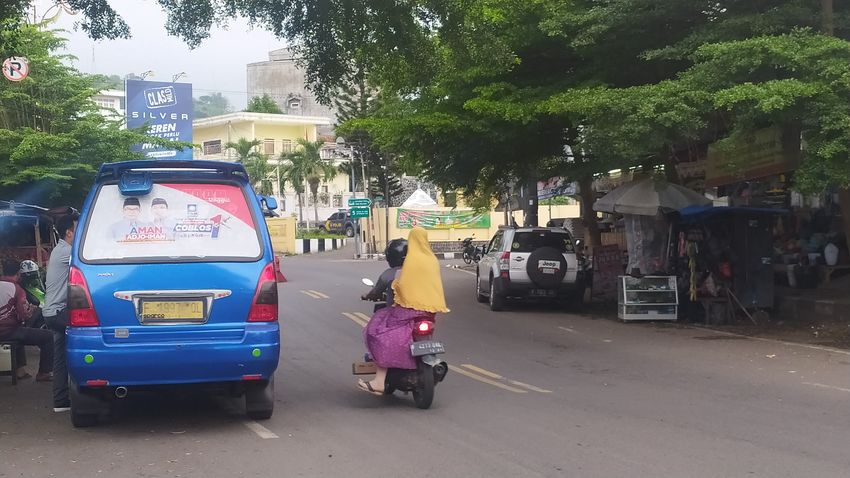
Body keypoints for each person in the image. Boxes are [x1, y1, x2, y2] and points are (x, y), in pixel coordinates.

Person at [357, 227, 449, 395]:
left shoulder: (404, 267)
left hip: (405, 312)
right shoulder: (432, 261)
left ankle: (379, 381)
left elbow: (397, 287)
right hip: (429, 312)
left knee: (378, 333)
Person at [43, 212, 78, 412]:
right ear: (69, 233)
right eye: (78, 229)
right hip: (58, 312)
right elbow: (89, 258)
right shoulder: (67, 252)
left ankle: (60, 401)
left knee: (60, 357)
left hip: (52, 312)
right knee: (93, 332)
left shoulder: (60, 250)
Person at [0, 258, 54, 382]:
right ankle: (44, 372)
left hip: (8, 331)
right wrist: (32, 309)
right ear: (18, 273)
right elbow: (24, 315)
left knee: (21, 332)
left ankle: (20, 371)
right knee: (48, 337)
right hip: (7, 332)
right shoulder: (17, 289)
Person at [361, 239, 407, 307]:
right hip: (423, 312)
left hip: (395, 313)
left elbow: (375, 292)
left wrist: (367, 296)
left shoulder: (388, 274)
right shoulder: (420, 271)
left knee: (378, 316)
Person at [19, 260, 45, 328]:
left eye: (36, 276)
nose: (36, 279)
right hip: (37, 321)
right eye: (32, 277)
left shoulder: (37, 288)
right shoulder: (22, 291)